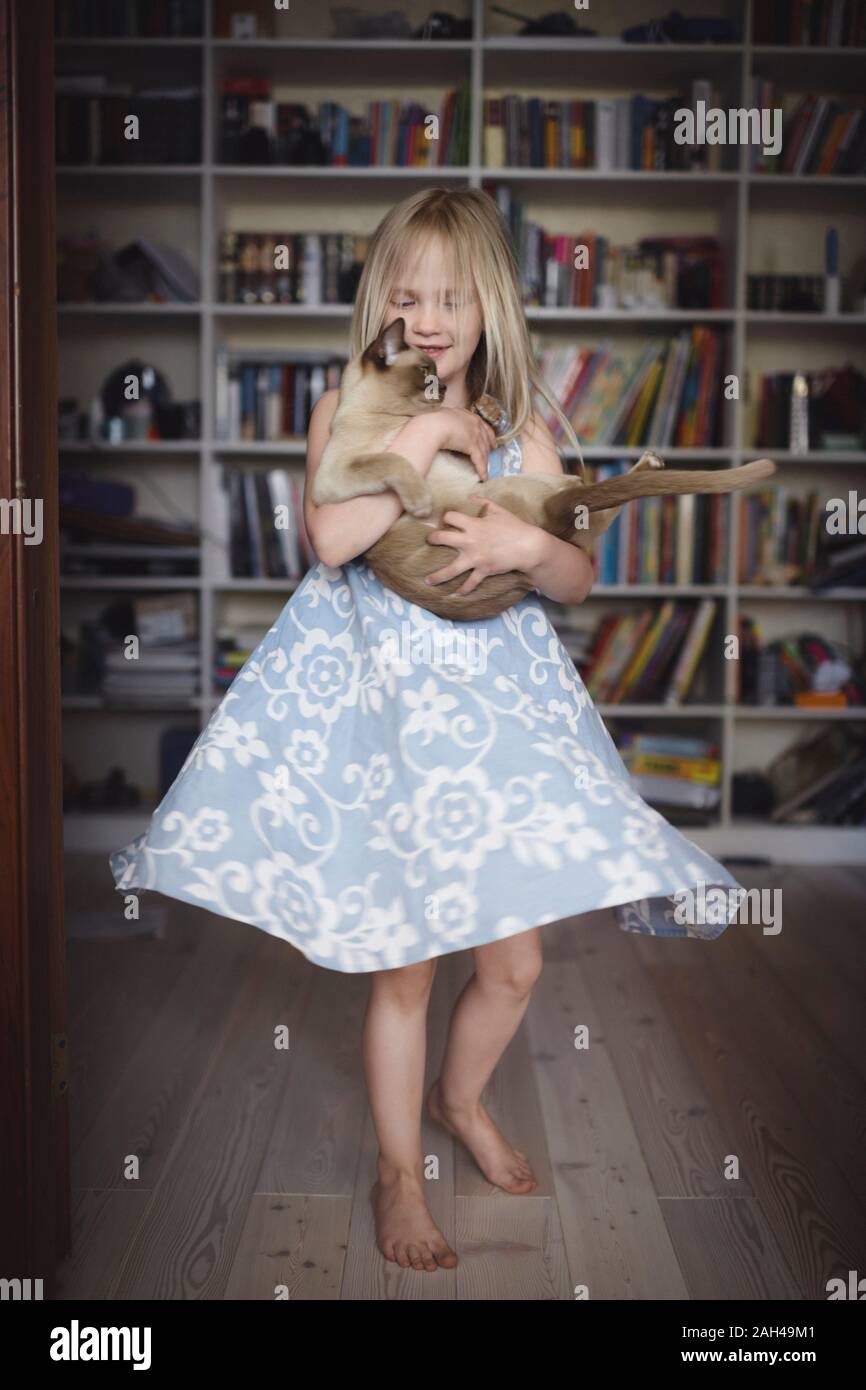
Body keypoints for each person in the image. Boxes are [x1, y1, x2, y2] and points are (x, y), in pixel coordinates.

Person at [110, 187, 745, 1274]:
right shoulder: (345, 411)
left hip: (490, 729)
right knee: (404, 966)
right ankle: (398, 1168)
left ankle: (459, 1097)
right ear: (380, 305)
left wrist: (522, 549)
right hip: (385, 722)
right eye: (409, 295)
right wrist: (430, 429)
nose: (432, 316)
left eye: (453, 297)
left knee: (513, 962)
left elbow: (579, 576)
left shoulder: (528, 430)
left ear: (489, 306)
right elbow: (329, 538)